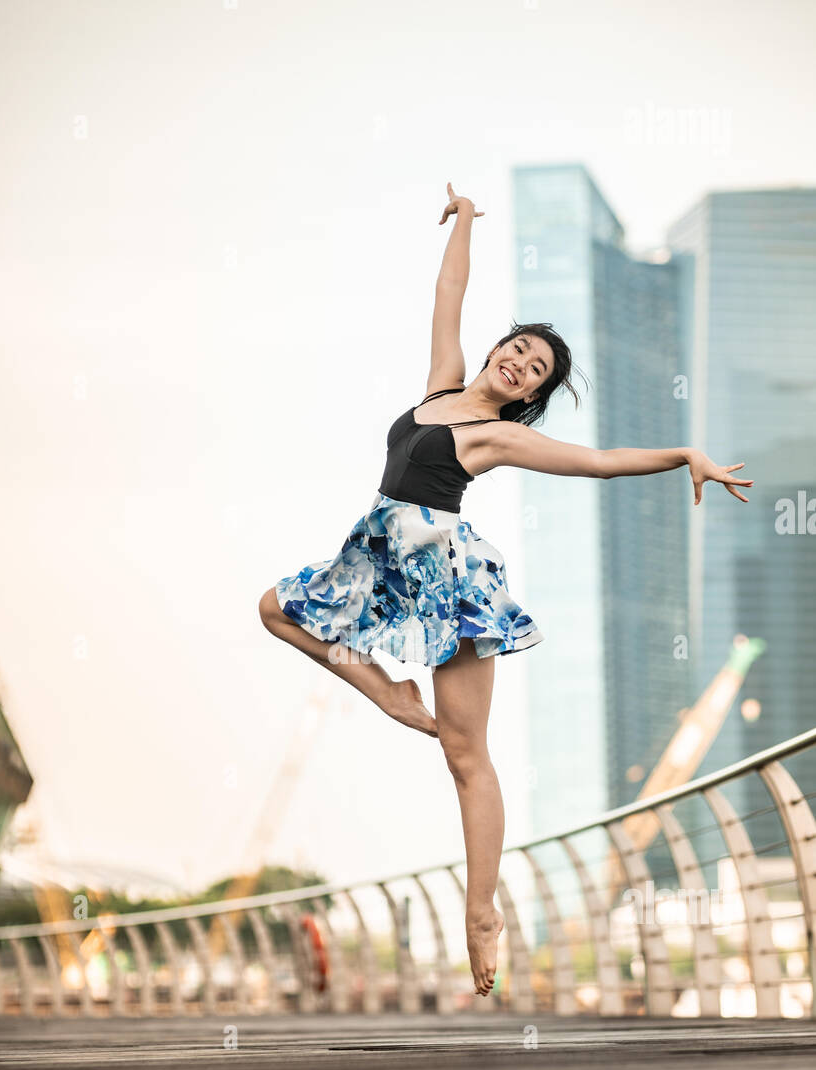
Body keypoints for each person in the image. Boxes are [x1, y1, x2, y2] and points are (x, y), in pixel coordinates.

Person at [259, 182, 753, 998]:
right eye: (517, 348)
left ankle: (480, 911)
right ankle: (386, 693)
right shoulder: (441, 385)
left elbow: (597, 463)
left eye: (535, 368)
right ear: (498, 351)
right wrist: (464, 223)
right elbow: (447, 297)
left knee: (464, 755)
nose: (519, 362)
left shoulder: (498, 436)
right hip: (378, 557)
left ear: (529, 393)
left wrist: (683, 455)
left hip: (446, 580)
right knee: (276, 608)